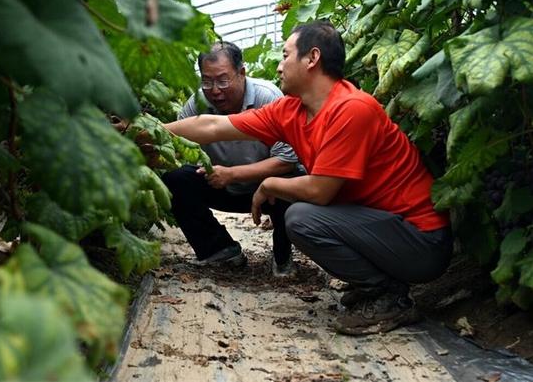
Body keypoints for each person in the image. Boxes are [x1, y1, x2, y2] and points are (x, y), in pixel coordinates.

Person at [163, 21, 453, 336]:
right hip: (381, 230)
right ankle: (375, 286)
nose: (278, 65)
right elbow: (211, 126)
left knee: (301, 217)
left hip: (420, 242)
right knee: (299, 211)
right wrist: (147, 130)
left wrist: (270, 183)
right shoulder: (291, 110)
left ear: (311, 58)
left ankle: (388, 296)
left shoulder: (352, 109)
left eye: (286, 55)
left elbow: (320, 191)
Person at [162, 41, 302, 276]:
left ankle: (283, 257)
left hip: (266, 190)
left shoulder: (268, 98)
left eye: (223, 80)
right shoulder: (196, 104)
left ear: (242, 73)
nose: (215, 90)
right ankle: (220, 250)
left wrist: (232, 174)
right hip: (221, 186)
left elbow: (287, 159)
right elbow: (177, 147)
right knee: (175, 178)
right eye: (207, 81)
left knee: (292, 178)